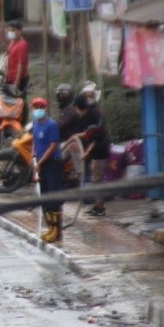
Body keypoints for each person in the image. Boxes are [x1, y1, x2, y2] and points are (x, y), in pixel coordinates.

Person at [30, 97, 64, 243]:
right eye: (35, 107)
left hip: (52, 163)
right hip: (42, 164)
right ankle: (51, 228)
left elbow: (53, 146)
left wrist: (40, 161)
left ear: (45, 108)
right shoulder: (35, 123)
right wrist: (33, 154)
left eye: (40, 107)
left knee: (54, 197)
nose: (38, 110)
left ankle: (57, 231)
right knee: (46, 197)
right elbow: (34, 141)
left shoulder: (51, 125)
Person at [72, 94, 111, 217]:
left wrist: (86, 153)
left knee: (96, 180)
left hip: (100, 151)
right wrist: (77, 136)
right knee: (95, 178)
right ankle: (97, 205)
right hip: (96, 152)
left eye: (77, 109)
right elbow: (89, 133)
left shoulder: (93, 116)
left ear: (80, 107)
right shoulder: (90, 114)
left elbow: (95, 138)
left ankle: (100, 208)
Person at [55, 83, 83, 179]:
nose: (61, 97)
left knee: (55, 158)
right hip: (65, 140)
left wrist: (49, 127)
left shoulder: (70, 109)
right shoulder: (64, 108)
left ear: (70, 95)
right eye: (59, 95)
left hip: (69, 141)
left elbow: (61, 125)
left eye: (64, 95)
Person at [5, 20, 30, 125]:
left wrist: (17, 81)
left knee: (20, 101)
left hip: (19, 78)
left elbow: (21, 64)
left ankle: (22, 122)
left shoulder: (22, 44)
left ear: (19, 31)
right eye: (9, 30)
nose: (10, 32)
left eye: (13, 30)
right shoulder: (12, 42)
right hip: (10, 76)